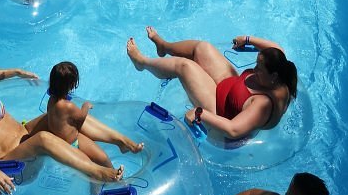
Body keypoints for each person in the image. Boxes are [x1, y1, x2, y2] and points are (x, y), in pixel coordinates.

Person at [0, 63, 125, 193]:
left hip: (25, 133)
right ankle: (96, 171)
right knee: (43, 138)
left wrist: (18, 72)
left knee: (61, 112)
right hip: (14, 164)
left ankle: (121, 142)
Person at [126, 28, 297, 138]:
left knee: (184, 66)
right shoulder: (281, 69)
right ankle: (164, 46)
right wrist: (247, 39)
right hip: (231, 84)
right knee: (203, 48)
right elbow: (276, 48)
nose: (254, 68)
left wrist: (200, 113)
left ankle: (142, 62)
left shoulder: (264, 104)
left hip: (220, 109)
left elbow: (233, 130)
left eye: (259, 68)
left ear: (274, 76)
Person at [45, 61, 143, 166]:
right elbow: (81, 118)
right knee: (103, 159)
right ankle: (112, 171)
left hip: (62, 140)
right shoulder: (67, 106)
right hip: (72, 144)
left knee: (101, 158)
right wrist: (86, 106)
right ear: (70, 85)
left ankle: (122, 144)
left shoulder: (51, 100)